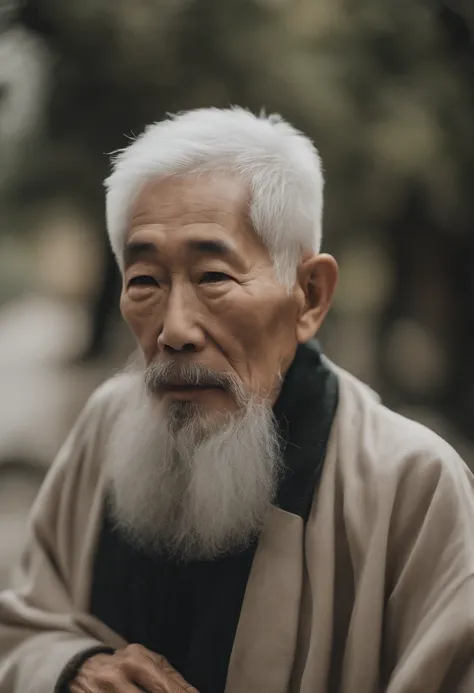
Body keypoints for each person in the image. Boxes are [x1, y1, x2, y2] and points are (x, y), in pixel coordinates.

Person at [0, 107, 473, 693]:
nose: (175, 331)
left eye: (213, 277)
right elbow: (21, 628)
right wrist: (75, 668)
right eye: (145, 281)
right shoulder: (108, 424)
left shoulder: (410, 484)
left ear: (309, 296)